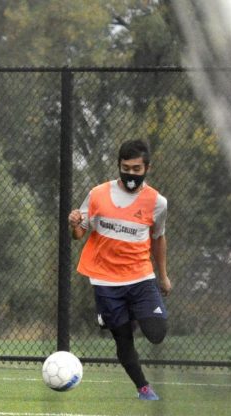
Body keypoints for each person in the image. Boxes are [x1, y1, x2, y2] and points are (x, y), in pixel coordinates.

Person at [68, 139, 172, 401]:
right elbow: (79, 234)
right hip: (105, 280)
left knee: (157, 334)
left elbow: (158, 238)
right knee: (123, 339)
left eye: (137, 169)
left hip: (140, 277)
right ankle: (143, 388)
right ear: (119, 166)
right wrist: (74, 223)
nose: (131, 174)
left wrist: (164, 276)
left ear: (147, 168)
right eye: (126, 168)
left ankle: (129, 314)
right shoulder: (97, 194)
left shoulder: (157, 202)